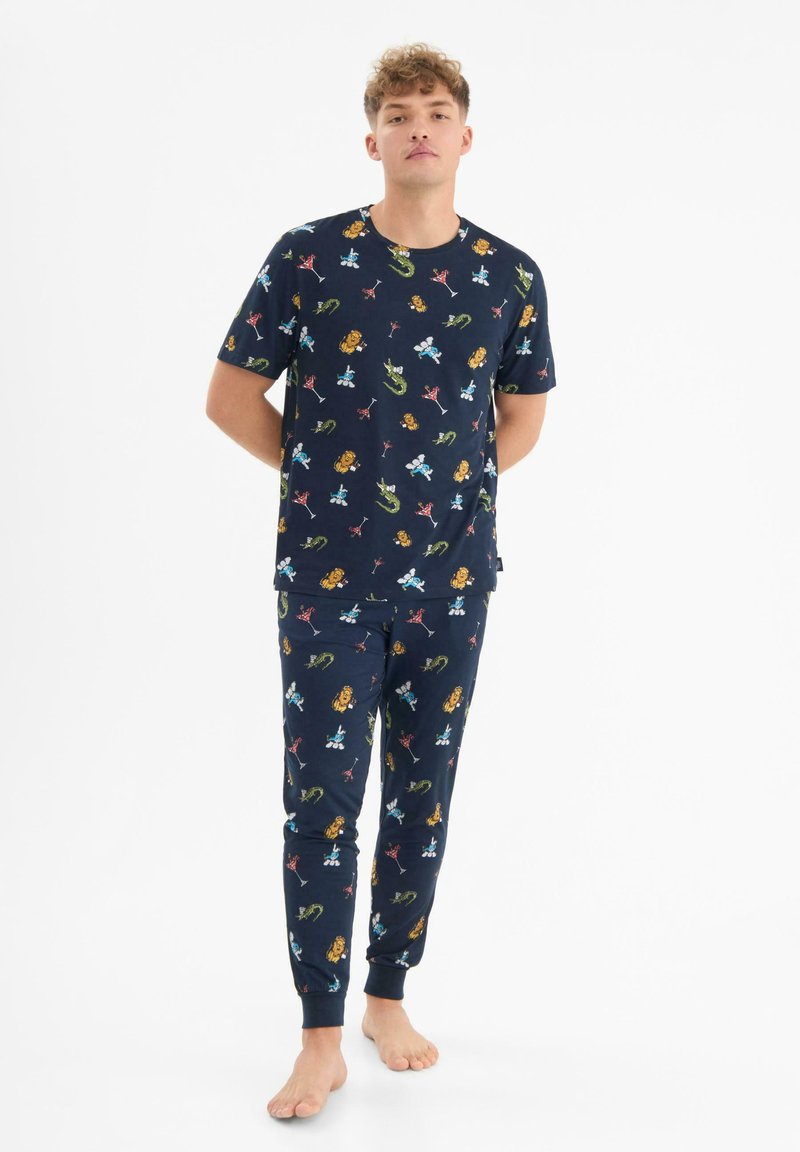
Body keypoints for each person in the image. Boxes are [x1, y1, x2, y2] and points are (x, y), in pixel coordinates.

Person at [205, 42, 556, 1121]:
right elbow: (230, 397)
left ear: (465, 136)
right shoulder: (309, 258)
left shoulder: (508, 275)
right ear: (372, 140)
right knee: (320, 800)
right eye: (398, 113)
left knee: (420, 796)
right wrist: (326, 482)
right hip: (326, 577)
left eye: (436, 111)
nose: (418, 128)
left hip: (451, 584)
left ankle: (386, 997)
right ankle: (319, 1035)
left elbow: (521, 418)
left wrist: (443, 501)